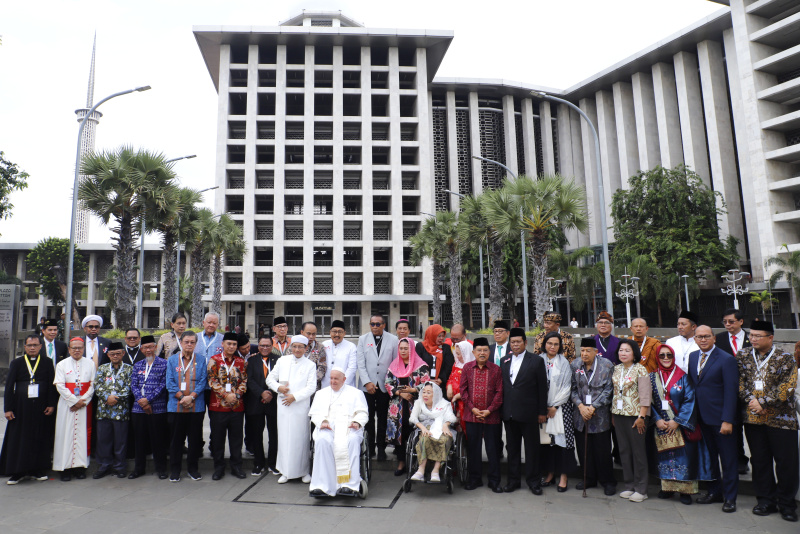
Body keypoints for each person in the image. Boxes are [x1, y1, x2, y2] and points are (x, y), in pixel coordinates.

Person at [737, 320, 798, 522]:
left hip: (782, 419)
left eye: (757, 336)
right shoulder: (743, 356)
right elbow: (740, 382)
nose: (752, 339)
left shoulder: (785, 357)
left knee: (786, 463)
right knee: (760, 461)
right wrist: (751, 401)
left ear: (770, 338)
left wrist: (763, 401)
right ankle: (765, 500)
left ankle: (787, 504)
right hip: (753, 419)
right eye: (751, 335)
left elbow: (788, 387)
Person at [650, 343, 713, 505]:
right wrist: (657, 419)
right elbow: (648, 402)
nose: (665, 358)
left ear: (673, 356)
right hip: (661, 425)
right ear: (657, 357)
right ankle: (668, 488)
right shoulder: (651, 377)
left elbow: (690, 400)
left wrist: (677, 421)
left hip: (680, 426)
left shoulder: (683, 377)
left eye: (668, 355)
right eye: (662, 355)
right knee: (664, 458)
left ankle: (685, 491)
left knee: (684, 458)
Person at [687, 325, 738, 513]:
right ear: (695, 339)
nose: (702, 340)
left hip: (721, 419)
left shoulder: (726, 360)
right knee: (710, 459)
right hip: (701, 418)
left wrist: (727, 420)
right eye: (699, 337)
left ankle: (730, 498)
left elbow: (731, 392)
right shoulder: (693, 357)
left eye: (706, 336)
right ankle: (715, 492)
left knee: (728, 460)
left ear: (714, 338)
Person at [1, 335, 57, 484]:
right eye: (29, 345)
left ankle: (36, 469)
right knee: (19, 438)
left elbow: (52, 384)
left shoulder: (47, 362)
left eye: (35, 345)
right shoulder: (17, 363)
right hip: (20, 407)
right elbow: (9, 387)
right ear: (25, 347)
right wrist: (8, 408)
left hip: (41, 407)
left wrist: (51, 404)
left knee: (39, 437)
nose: (32, 348)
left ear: (40, 347)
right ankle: (17, 471)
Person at [308, 367, 369, 497]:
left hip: (349, 427)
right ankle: (322, 485)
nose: (333, 381)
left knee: (352, 441)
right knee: (322, 440)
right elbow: (314, 414)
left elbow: (363, 412)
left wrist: (357, 422)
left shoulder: (356, 393)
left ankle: (349, 485)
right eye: (331, 378)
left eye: (336, 379)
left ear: (344, 379)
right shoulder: (321, 394)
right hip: (328, 427)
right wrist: (322, 422)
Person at [501, 327, 548, 495]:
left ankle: (533, 481)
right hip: (510, 414)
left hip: (529, 414)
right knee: (512, 449)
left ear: (525, 343)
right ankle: (513, 481)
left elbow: (543, 388)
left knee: (532, 449)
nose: (515, 345)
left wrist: (542, 412)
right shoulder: (504, 360)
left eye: (518, 342)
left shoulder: (535, 361)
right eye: (512, 342)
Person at [267, 334, 316, 483]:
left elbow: (311, 387)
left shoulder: (310, 365)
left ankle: (303, 472)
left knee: (300, 439)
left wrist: (295, 397)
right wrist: (279, 388)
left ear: (305, 348)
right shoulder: (282, 361)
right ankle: (285, 471)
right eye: (294, 346)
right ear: (291, 347)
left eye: (300, 347)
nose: (297, 349)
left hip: (299, 407)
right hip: (283, 406)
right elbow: (269, 379)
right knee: (284, 439)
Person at [571, 337, 616, 495]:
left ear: (596, 352)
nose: (584, 354)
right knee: (584, 449)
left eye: (588, 351)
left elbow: (609, 390)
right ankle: (588, 478)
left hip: (600, 416)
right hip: (580, 415)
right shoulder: (575, 365)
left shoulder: (607, 365)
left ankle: (607, 481)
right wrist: (581, 406)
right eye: (582, 350)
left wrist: (593, 407)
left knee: (602, 450)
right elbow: (572, 389)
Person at [610, 338, 651, 502]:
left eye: (627, 350)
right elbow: (614, 392)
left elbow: (646, 395)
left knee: (638, 452)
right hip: (619, 414)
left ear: (634, 353)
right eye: (621, 350)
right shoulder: (617, 369)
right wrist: (613, 414)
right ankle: (630, 485)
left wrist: (642, 416)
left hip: (636, 416)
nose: (623, 353)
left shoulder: (641, 369)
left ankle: (642, 489)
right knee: (624, 451)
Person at [460, 337, 503, 492]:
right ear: (474, 352)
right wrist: (472, 408)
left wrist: (489, 410)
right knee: (474, 449)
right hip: (471, 416)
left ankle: (494, 480)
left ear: (489, 352)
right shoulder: (467, 368)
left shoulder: (496, 369)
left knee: (493, 450)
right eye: (479, 350)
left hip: (491, 416)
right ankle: (475, 479)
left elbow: (499, 392)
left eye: (485, 350)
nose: (482, 353)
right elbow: (463, 391)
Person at [166, 331, 207, 482]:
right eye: (186, 342)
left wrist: (192, 397)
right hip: (176, 406)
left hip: (196, 407)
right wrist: (183, 397)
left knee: (195, 440)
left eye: (192, 342)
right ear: (181, 343)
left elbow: (203, 381)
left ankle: (193, 469)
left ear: (196, 344)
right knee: (176, 440)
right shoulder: (171, 360)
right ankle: (175, 470)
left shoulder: (201, 360)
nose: (189, 344)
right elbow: (169, 382)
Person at [385, 338, 430, 475]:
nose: (403, 351)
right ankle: (401, 462)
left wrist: (413, 390)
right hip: (396, 407)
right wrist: (400, 393)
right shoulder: (394, 365)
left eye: (406, 348)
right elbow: (387, 383)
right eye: (401, 348)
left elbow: (426, 384)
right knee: (399, 433)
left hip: (414, 405)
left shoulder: (421, 366)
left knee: (414, 432)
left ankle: (415, 463)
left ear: (411, 349)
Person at [357, 314, 399, 461]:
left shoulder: (393, 340)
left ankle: (381, 448)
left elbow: (395, 364)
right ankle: (370, 448)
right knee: (367, 418)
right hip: (367, 386)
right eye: (372, 324)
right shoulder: (363, 339)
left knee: (382, 418)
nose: (374, 327)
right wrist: (367, 382)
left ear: (383, 325)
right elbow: (360, 364)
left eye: (377, 324)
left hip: (384, 386)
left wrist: (389, 383)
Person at [53, 337, 95, 481]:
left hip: (84, 404)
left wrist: (83, 400)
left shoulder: (90, 364)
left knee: (82, 435)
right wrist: (74, 401)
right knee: (65, 434)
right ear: (69, 349)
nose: (77, 350)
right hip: (67, 405)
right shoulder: (62, 364)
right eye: (74, 348)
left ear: (83, 349)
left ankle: (79, 467)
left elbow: (93, 385)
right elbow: (59, 385)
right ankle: (64, 468)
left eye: (80, 348)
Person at [539, 331, 576, 492]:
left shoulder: (564, 363)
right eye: (549, 343)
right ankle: (550, 473)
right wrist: (543, 407)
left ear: (560, 346)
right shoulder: (537, 360)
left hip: (561, 408)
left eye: (556, 344)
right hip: (542, 409)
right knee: (547, 443)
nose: (552, 347)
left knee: (563, 442)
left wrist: (554, 406)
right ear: (544, 344)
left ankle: (563, 476)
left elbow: (567, 387)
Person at [207, 332, 248, 480]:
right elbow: (212, 380)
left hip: (237, 406)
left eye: (234, 344)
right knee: (218, 439)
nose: (231, 347)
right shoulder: (214, 360)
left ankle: (236, 466)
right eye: (229, 344)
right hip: (218, 407)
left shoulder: (241, 362)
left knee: (236, 439)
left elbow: (244, 381)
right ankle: (219, 468)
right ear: (223, 344)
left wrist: (236, 395)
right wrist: (226, 395)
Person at [716, 308, 752, 474]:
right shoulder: (720, 339)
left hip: (751, 391)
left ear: (741, 321)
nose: (728, 325)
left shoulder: (752, 338)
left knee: (752, 428)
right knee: (733, 426)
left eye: (731, 321)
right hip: (728, 390)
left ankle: (756, 461)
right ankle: (739, 460)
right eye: (725, 322)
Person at [129, 335, 169, 480]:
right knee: (139, 440)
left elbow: (163, 385)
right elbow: (134, 385)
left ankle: (161, 469)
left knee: (158, 440)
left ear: (156, 347)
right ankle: (138, 469)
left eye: (151, 347)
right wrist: (141, 400)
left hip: (157, 408)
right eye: (145, 347)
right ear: (141, 349)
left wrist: (148, 400)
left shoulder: (164, 364)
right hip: (138, 409)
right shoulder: (138, 365)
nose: (148, 350)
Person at [92, 342, 132, 479]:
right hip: (104, 410)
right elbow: (97, 385)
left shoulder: (129, 369)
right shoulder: (102, 369)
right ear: (108, 355)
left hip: (121, 411)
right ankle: (104, 466)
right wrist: (106, 397)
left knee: (120, 441)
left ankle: (120, 467)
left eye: (118, 353)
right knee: (103, 440)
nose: (115, 356)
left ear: (123, 354)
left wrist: (116, 398)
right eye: (112, 354)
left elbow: (130, 387)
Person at [245, 335, 281, 476]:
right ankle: (258, 463)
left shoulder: (278, 360)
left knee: (274, 434)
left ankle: (273, 463)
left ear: (272, 347)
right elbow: (250, 380)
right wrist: (262, 393)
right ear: (258, 346)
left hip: (273, 402)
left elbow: (280, 379)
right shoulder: (252, 360)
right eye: (262, 345)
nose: (264, 348)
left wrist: (270, 393)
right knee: (256, 434)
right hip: (256, 401)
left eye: (267, 346)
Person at [409, 382, 457, 483]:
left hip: (441, 427)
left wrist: (445, 424)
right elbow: (413, 418)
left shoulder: (444, 404)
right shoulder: (419, 403)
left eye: (429, 393)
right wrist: (422, 427)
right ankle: (421, 470)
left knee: (444, 439)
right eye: (424, 392)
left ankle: (436, 470)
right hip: (425, 427)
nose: (425, 395)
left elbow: (452, 418)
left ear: (436, 394)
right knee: (425, 438)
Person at [416, 324, 454, 394]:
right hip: (424, 385)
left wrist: (441, 379)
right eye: (439, 336)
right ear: (432, 335)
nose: (441, 338)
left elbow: (449, 365)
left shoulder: (445, 348)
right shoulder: (421, 346)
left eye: (443, 336)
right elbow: (418, 365)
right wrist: (428, 380)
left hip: (440, 384)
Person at [321, 320, 358, 387]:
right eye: (334, 331)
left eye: (340, 332)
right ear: (330, 332)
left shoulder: (351, 346)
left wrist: (343, 382)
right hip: (326, 383)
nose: (337, 334)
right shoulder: (324, 344)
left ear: (344, 333)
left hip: (345, 384)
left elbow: (352, 368)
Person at [446, 340, 474, 421]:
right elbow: (451, 378)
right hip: (455, 402)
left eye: (459, 354)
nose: (457, 356)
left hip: (466, 404)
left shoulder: (472, 367)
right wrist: (449, 387)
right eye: (456, 353)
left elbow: (472, 387)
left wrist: (459, 395)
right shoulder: (456, 364)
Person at [302, 322, 326, 391]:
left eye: (314, 334)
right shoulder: (294, 347)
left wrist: (310, 382)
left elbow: (322, 368)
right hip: (296, 386)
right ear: (302, 332)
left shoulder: (320, 347)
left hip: (313, 387)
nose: (311, 337)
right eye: (308, 333)